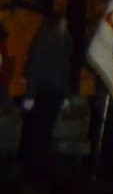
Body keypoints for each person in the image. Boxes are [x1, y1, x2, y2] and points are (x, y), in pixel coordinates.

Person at [18, 15, 72, 178]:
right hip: (43, 91)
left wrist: (65, 95)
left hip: (55, 92)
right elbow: (34, 67)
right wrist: (30, 96)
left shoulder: (65, 41)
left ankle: (40, 164)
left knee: (46, 130)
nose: (65, 24)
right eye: (63, 22)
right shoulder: (44, 39)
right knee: (36, 130)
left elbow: (65, 70)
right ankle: (29, 165)